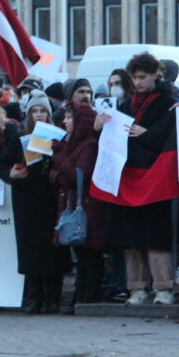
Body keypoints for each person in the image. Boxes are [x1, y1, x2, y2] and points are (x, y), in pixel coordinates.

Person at [101, 53, 178, 305]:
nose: (138, 82)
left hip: (156, 178)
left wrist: (147, 134)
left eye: (142, 77)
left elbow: (171, 136)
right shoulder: (126, 105)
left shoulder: (169, 102)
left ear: (155, 74)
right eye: (134, 78)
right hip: (130, 177)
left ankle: (163, 288)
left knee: (156, 236)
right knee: (131, 238)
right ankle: (136, 288)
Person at [0, 92, 69, 314]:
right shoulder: (19, 139)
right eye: (34, 111)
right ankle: (34, 297)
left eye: (42, 111)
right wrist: (11, 173)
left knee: (53, 250)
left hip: (51, 200)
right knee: (30, 250)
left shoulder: (58, 137)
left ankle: (53, 298)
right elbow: (1, 164)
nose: (38, 115)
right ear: (28, 115)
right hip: (26, 201)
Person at [50, 100, 107, 307]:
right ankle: (80, 296)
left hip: (87, 205)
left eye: (68, 117)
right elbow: (56, 175)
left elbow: (77, 175)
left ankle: (88, 296)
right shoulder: (69, 143)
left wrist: (57, 156)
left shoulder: (89, 144)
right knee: (81, 254)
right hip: (74, 202)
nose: (64, 121)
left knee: (90, 253)